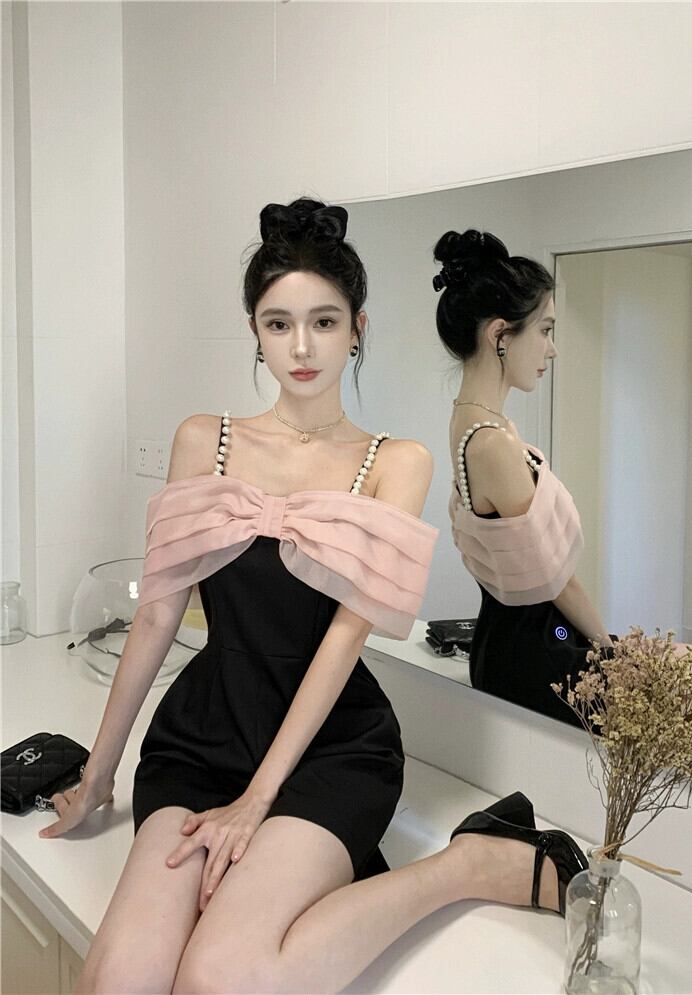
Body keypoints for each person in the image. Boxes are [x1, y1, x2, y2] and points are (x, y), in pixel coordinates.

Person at [37, 200, 588, 995]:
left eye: (324, 322)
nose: (301, 347)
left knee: (220, 978)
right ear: (255, 331)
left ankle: (463, 865)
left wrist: (258, 799)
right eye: (279, 323)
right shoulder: (203, 439)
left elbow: (345, 636)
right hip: (203, 736)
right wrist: (99, 772)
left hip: (332, 745)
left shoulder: (398, 461)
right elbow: (157, 613)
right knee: (120, 980)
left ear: (357, 328)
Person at [435, 227, 692, 725]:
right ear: (500, 335)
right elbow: (558, 581)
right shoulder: (492, 443)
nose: (552, 349)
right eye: (545, 330)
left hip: (527, 640)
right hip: (538, 656)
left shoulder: (476, 423)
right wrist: (609, 650)